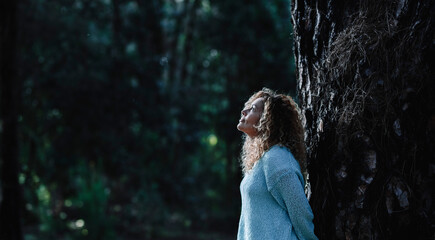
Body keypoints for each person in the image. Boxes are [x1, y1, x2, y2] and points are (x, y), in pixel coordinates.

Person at [236, 88, 318, 240]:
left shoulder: (277, 158)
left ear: (268, 119)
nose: (244, 111)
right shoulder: (262, 160)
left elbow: (300, 211)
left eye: (253, 109)